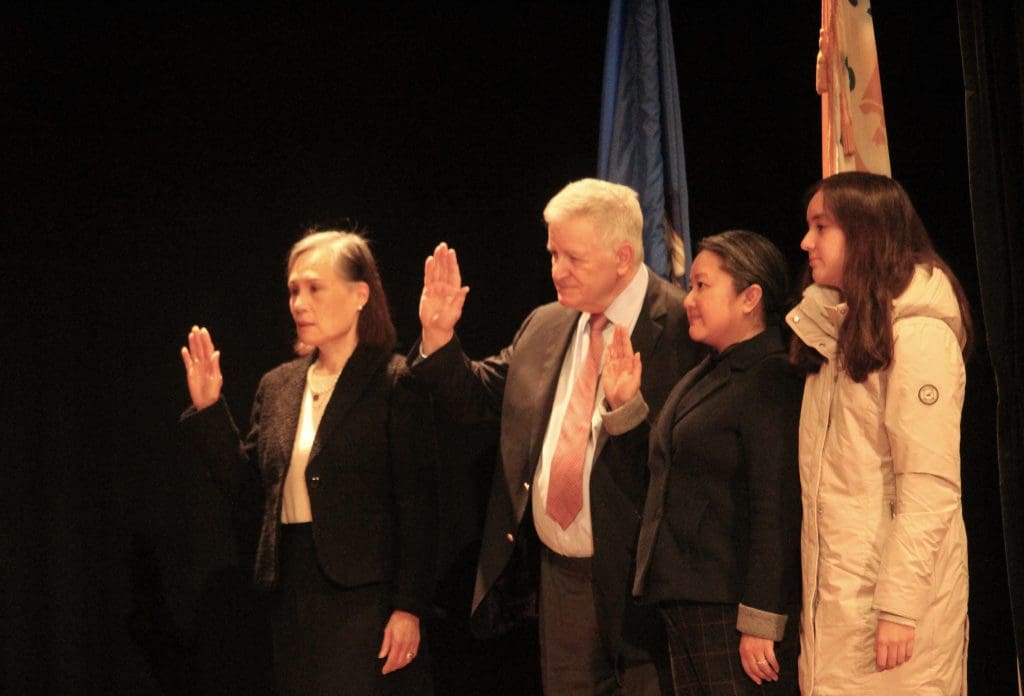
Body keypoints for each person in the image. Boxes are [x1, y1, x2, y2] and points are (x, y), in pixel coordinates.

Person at [412, 178, 702, 694]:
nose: (556, 271)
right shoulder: (547, 324)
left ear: (622, 256)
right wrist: (438, 337)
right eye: (552, 254)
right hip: (561, 581)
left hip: (647, 591)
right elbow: (479, 398)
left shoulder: (686, 328)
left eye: (573, 258)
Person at [178, 230, 437, 696]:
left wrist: (409, 606)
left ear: (360, 295)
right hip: (292, 595)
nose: (299, 302)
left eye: (314, 288)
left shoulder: (395, 381)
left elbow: (418, 504)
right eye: (294, 290)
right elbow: (250, 499)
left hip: (366, 602)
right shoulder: (278, 386)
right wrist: (210, 412)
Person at [788, 172, 972, 694]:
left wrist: (897, 605)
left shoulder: (921, 337)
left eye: (821, 227)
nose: (806, 243)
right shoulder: (837, 335)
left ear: (865, 233)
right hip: (840, 611)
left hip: (894, 619)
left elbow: (930, 487)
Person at [601, 230, 803, 694]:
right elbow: (664, 478)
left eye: (703, 286)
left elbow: (776, 506)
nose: (688, 299)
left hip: (731, 612)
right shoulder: (706, 372)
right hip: (689, 604)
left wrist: (762, 617)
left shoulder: (770, 376)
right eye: (690, 285)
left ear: (750, 297)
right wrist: (626, 406)